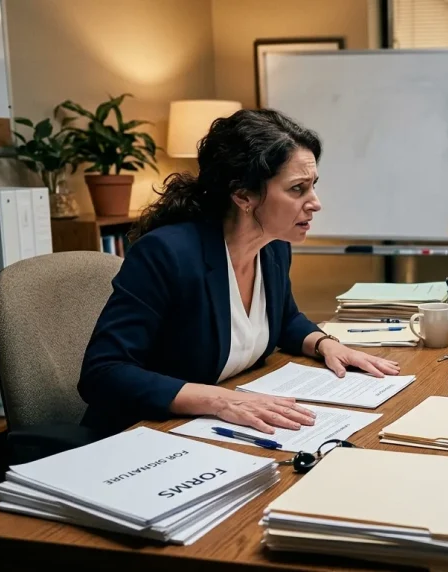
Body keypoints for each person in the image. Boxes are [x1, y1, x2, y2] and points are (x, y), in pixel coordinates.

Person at [78, 109, 400, 437]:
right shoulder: (166, 254)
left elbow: (283, 319)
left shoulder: (273, 246)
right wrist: (221, 401)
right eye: (297, 189)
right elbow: (104, 373)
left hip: (216, 429)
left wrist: (325, 344)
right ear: (243, 195)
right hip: (142, 433)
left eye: (313, 186)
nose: (315, 203)